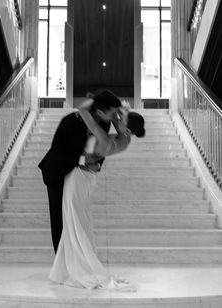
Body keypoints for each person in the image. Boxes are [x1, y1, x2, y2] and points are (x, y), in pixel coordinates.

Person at [48, 97, 145, 291]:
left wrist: (92, 104)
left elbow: (87, 117)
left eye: (121, 121)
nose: (117, 120)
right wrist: (119, 113)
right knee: (76, 222)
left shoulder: (107, 137)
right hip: (84, 176)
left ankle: (80, 268)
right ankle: (70, 266)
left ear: (127, 128)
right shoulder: (123, 138)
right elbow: (115, 123)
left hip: (79, 177)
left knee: (75, 222)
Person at [38, 90, 122, 253]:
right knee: (59, 220)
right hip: (58, 171)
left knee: (77, 217)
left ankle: (78, 257)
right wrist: (83, 160)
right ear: (99, 111)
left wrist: (98, 163)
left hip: (79, 174)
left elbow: (100, 147)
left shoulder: (104, 123)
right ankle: (62, 262)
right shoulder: (70, 122)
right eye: (112, 114)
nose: (114, 118)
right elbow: (58, 153)